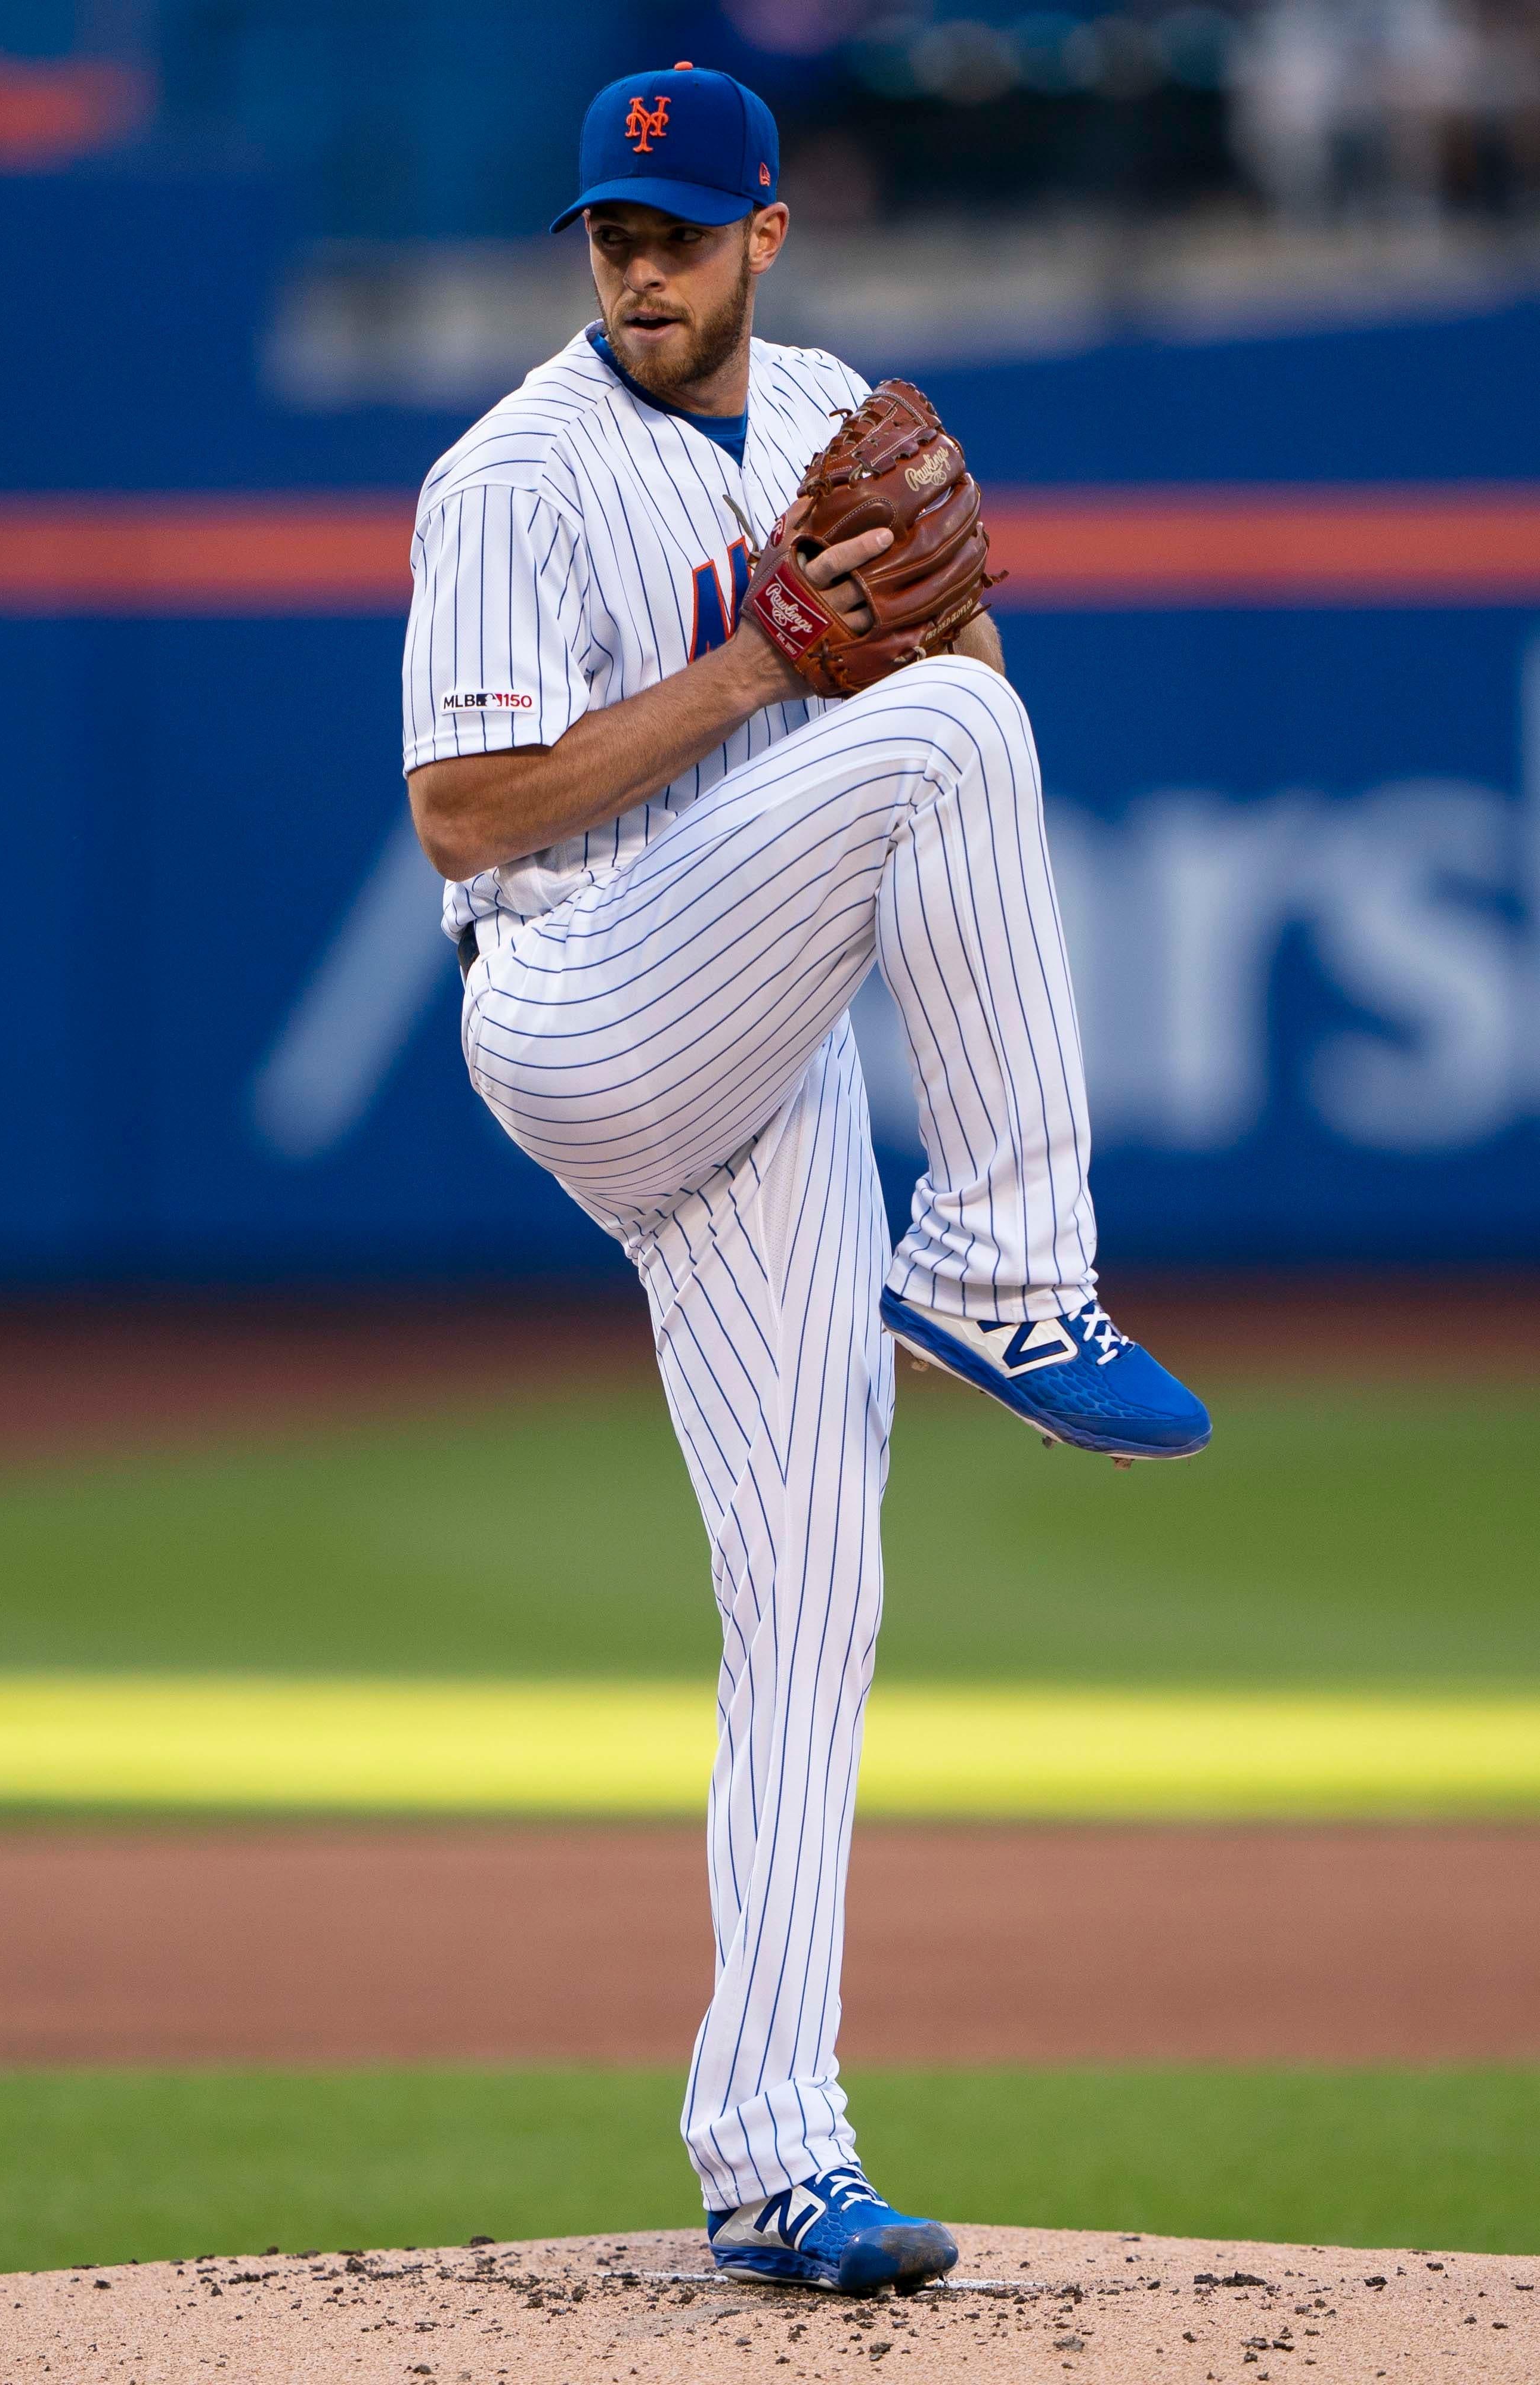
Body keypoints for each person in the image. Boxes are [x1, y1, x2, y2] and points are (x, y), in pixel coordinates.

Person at [402, 61, 1210, 2298]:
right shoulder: (508, 477)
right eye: (608, 234)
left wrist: (917, 630)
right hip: (572, 999)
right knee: (952, 739)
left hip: (747, 1061)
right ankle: (1002, 1265)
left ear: (766, 236)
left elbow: (950, 677)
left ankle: (775, 2154)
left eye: (677, 231)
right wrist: (787, 659)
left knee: (810, 1598)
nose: (637, 266)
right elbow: (469, 819)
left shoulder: (830, 405)